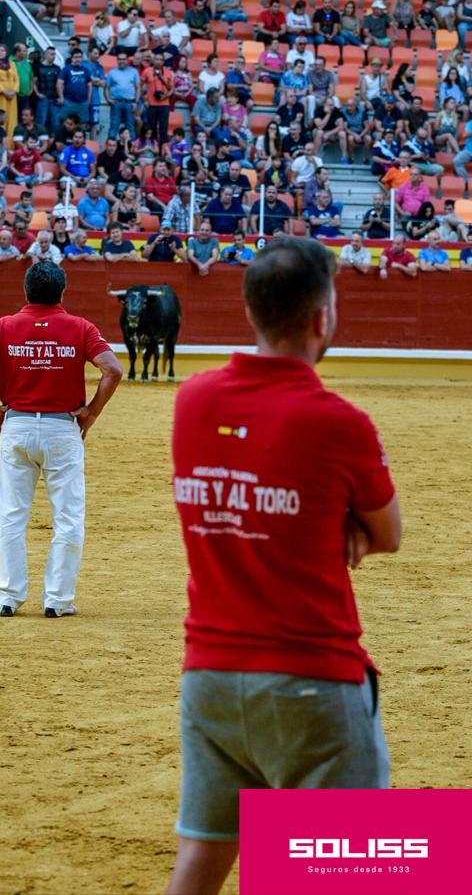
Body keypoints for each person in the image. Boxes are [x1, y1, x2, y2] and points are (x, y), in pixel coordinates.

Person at [166, 236, 401, 895]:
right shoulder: (339, 422)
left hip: (208, 676)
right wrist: (339, 520)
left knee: (200, 860)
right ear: (322, 317)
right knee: (355, 867)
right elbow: (389, 534)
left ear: (251, 312)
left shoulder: (194, 401)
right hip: (310, 681)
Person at [0, 262, 123, 618]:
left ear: (25, 291)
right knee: (68, 517)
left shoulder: (4, 327)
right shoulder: (80, 328)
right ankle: (58, 600)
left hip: (15, 427)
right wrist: (92, 411)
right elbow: (113, 370)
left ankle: (8, 597)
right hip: (63, 429)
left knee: (12, 517)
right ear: (63, 292)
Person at [106, 53, 141, 140]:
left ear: (127, 60)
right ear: (117, 60)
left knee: (130, 127)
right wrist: (108, 99)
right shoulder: (112, 72)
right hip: (116, 103)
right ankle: (111, 146)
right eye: (120, 59)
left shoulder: (134, 72)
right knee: (114, 126)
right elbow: (107, 88)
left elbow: (138, 87)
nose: (122, 61)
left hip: (129, 103)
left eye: (124, 59)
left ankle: (132, 148)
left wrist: (136, 102)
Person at [0, 44, 19, 138]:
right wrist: (4, 92)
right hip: (0, 95)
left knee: (11, 117)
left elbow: (16, 79)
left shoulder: (12, 64)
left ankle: (9, 140)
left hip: (11, 96)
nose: (1, 53)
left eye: (3, 51)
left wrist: (14, 91)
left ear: (7, 52)